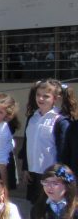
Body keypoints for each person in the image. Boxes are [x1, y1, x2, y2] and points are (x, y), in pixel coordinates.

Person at [19, 79, 73, 208]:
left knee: (50, 206)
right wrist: (26, 167)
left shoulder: (60, 120)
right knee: (36, 205)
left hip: (51, 174)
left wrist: (60, 174)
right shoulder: (33, 117)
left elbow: (64, 150)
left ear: (56, 98)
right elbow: (28, 143)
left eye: (46, 96)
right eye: (38, 95)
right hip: (34, 171)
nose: (41, 99)